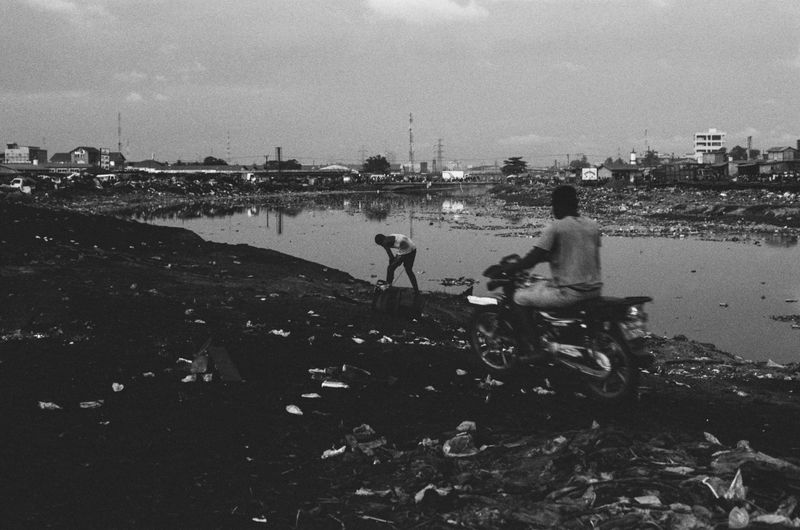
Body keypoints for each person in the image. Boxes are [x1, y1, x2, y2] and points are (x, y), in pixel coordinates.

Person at [503, 185, 602, 359]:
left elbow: (534, 256)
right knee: (540, 283)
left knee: (519, 298)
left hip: (571, 292)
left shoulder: (556, 227)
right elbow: (575, 252)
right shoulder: (592, 225)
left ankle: (536, 348)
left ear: (557, 204)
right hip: (594, 290)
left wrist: (512, 267)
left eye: (553, 204)